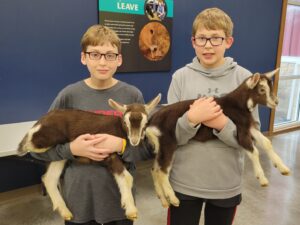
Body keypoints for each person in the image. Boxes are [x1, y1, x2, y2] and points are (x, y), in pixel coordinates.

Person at [31, 25, 153, 225]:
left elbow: (145, 150)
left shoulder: (133, 96)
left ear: (119, 60)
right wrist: (71, 149)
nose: (103, 62)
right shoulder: (68, 96)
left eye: (110, 55)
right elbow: (37, 150)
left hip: (119, 205)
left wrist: (121, 146)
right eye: (95, 54)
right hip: (78, 203)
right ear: (83, 57)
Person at [167, 8, 260, 225]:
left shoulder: (245, 79)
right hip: (183, 183)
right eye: (202, 38)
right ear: (193, 42)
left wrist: (221, 124)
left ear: (228, 41)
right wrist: (191, 119)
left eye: (216, 38)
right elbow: (168, 136)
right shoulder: (180, 78)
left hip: (225, 185)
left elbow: (251, 139)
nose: (208, 45)